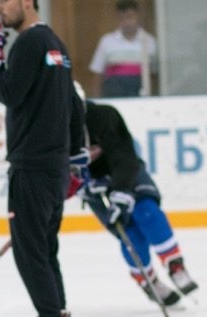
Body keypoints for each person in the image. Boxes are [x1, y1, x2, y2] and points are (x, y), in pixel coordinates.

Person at [0, 0, 86, 317]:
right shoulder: (56, 44)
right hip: (52, 168)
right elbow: (74, 104)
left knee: (31, 254)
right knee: (45, 252)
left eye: (5, 1)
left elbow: (10, 92)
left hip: (32, 167)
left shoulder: (27, 44)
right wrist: (73, 159)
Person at [73, 83, 200, 303]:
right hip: (92, 187)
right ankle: (147, 280)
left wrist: (120, 191)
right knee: (129, 234)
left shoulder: (104, 116)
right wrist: (81, 185)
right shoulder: (48, 127)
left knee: (146, 211)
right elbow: (56, 172)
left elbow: (125, 156)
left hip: (125, 172)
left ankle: (175, 264)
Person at [89, 0, 157, 98]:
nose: (127, 22)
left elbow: (154, 75)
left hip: (141, 97)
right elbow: (97, 74)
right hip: (114, 96)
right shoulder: (107, 41)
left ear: (138, 16)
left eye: (130, 17)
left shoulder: (149, 42)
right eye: (122, 18)